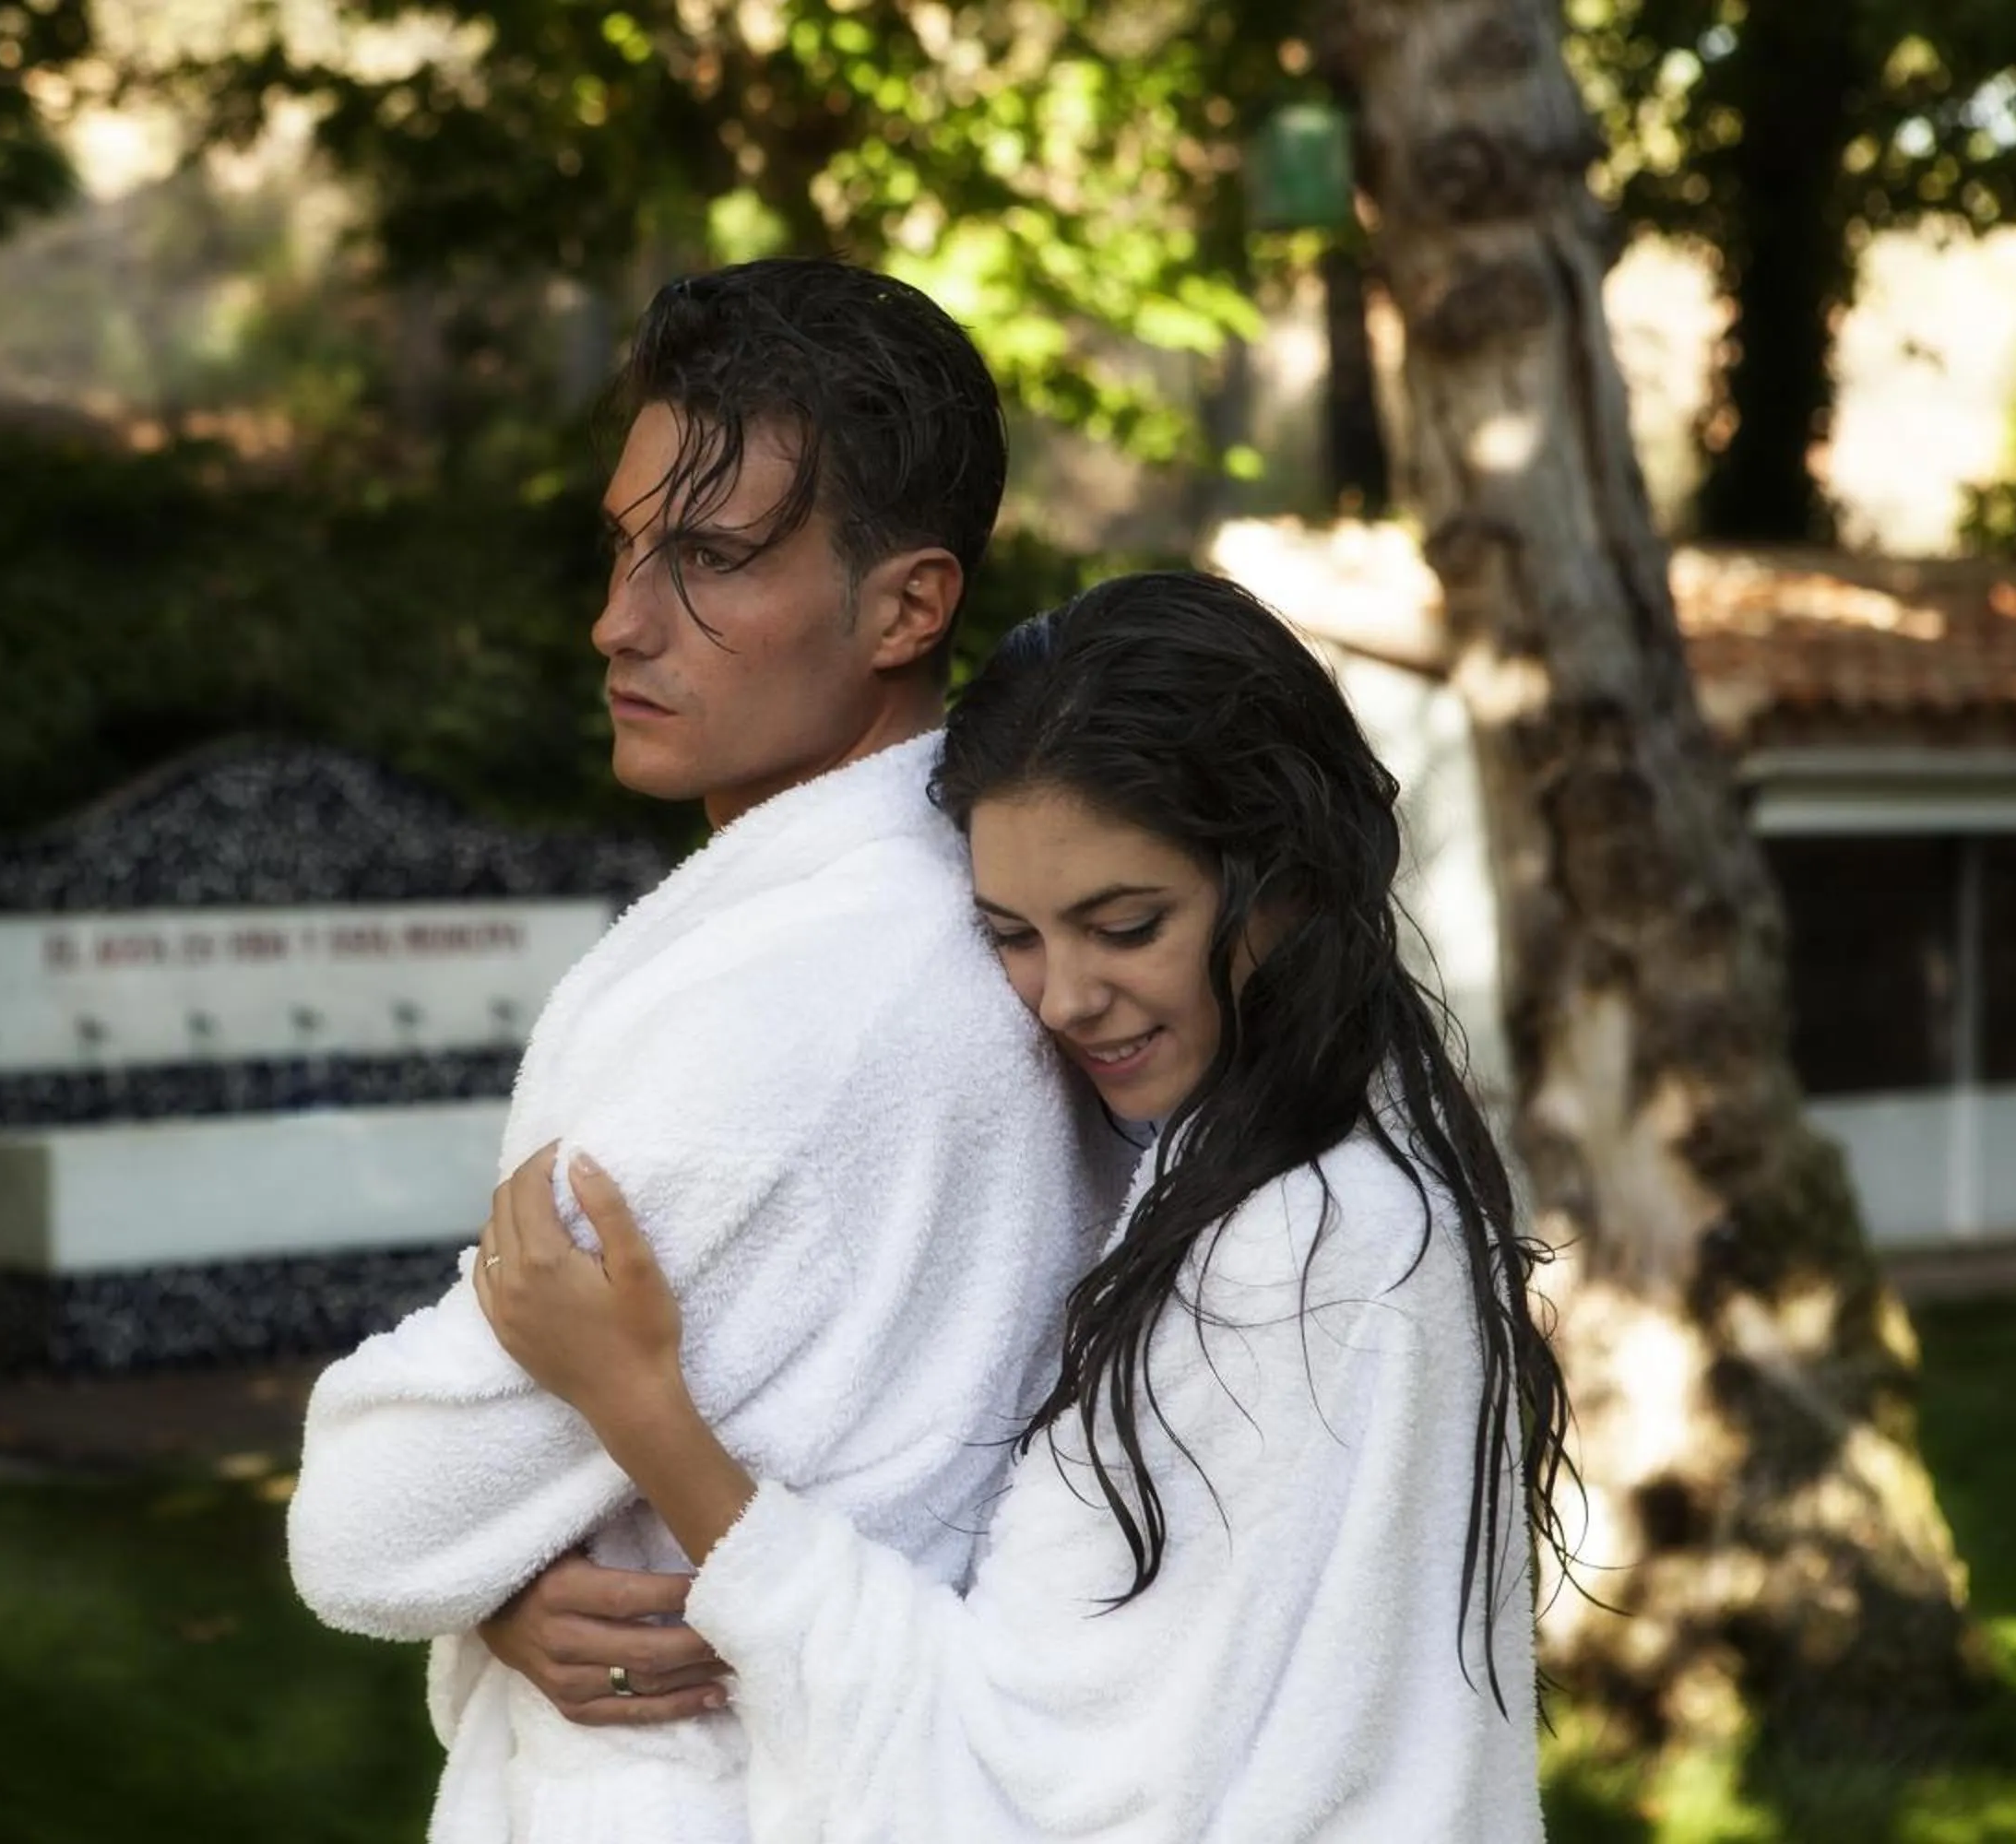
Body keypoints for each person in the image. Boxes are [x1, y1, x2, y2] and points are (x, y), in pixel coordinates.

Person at [473, 571, 1574, 1841]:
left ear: (1290, 876)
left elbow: (994, 1786)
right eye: (1014, 933)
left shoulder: (1294, 1254)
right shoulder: (1345, 1165)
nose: (1063, 996)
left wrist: (641, 1408)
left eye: (1124, 924)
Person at [283, 260, 1133, 1842]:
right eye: (622, 550)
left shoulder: (789, 1013)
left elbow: (366, 1526)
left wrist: (472, 1567)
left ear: (912, 604)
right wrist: (507, 1585)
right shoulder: (999, 913)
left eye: (712, 559)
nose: (621, 621)